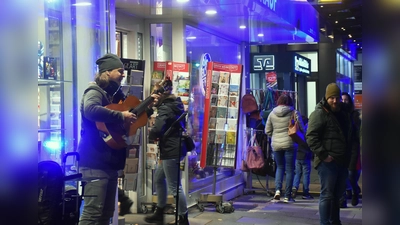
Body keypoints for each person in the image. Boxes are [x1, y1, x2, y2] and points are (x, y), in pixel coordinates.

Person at [78, 53, 159, 225]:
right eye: (119, 71)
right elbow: (90, 109)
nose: (123, 74)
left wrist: (149, 108)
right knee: (93, 213)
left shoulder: (115, 96)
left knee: (107, 212)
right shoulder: (94, 92)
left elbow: (130, 121)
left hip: (110, 161)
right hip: (94, 161)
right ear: (106, 73)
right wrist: (121, 115)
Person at [306, 83, 357, 225]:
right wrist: (324, 155)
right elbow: (311, 137)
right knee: (327, 195)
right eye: (331, 98)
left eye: (337, 97)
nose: (335, 101)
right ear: (326, 98)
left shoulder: (343, 113)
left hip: (342, 161)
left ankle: (335, 221)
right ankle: (324, 223)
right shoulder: (319, 113)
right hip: (327, 162)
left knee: (337, 196)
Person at [144, 78, 190, 225]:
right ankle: (160, 211)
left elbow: (157, 129)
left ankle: (183, 218)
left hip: (171, 149)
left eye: (155, 95)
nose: (153, 97)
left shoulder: (165, 107)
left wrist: (152, 135)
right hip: (174, 147)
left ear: (161, 94)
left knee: (175, 186)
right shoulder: (174, 104)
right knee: (158, 178)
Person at [265, 94, 305, 203]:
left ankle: (277, 191)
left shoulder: (272, 114)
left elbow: (267, 130)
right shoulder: (294, 112)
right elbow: (301, 127)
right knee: (289, 169)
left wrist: (275, 137)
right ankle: (288, 196)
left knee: (279, 167)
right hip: (290, 144)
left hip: (276, 145)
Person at [341, 92, 362, 207]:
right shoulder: (338, 114)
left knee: (351, 174)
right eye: (342, 100)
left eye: (346, 100)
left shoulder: (355, 115)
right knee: (343, 175)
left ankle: (355, 191)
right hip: (342, 148)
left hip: (353, 148)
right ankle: (345, 197)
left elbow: (358, 132)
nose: (344, 102)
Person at [292, 115, 314, 200]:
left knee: (297, 173)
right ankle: (305, 192)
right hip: (306, 156)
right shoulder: (307, 133)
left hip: (298, 155)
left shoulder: (297, 132)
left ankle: (294, 188)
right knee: (306, 174)